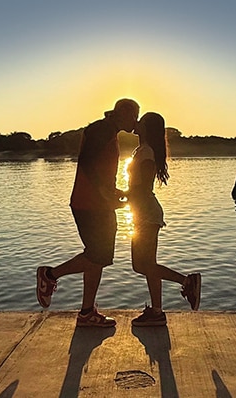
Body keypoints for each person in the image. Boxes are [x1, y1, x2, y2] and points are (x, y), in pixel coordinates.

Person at [36, 98, 139, 327]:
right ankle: (49, 275)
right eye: (135, 115)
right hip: (90, 203)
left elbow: (100, 169)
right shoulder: (100, 129)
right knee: (98, 255)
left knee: (97, 257)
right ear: (123, 112)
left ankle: (86, 312)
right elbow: (87, 163)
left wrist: (113, 191)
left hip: (96, 203)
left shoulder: (108, 131)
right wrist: (104, 192)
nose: (136, 121)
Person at [127, 112, 201, 327]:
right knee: (147, 265)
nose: (136, 122)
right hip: (142, 211)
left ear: (147, 128)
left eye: (141, 121)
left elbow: (144, 187)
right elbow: (138, 188)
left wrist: (124, 196)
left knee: (141, 265)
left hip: (146, 214)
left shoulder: (147, 152)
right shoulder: (142, 150)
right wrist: (126, 195)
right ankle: (157, 311)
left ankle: (187, 281)